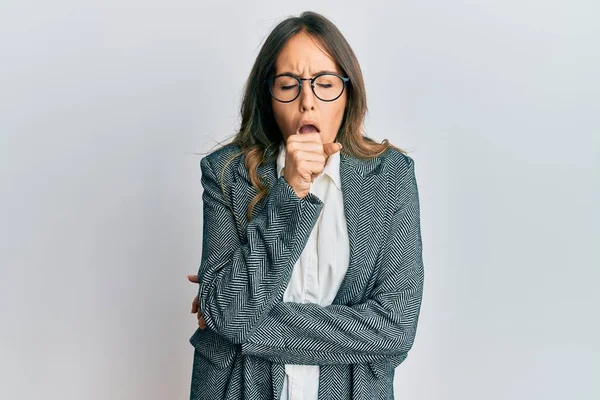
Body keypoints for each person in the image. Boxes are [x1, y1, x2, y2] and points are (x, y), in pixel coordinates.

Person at [186, 11, 424, 400]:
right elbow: (229, 312)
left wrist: (239, 324)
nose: (307, 102)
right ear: (268, 94)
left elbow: (395, 326)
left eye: (325, 83)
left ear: (348, 94)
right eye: (288, 85)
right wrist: (291, 190)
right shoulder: (226, 173)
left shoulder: (391, 176)